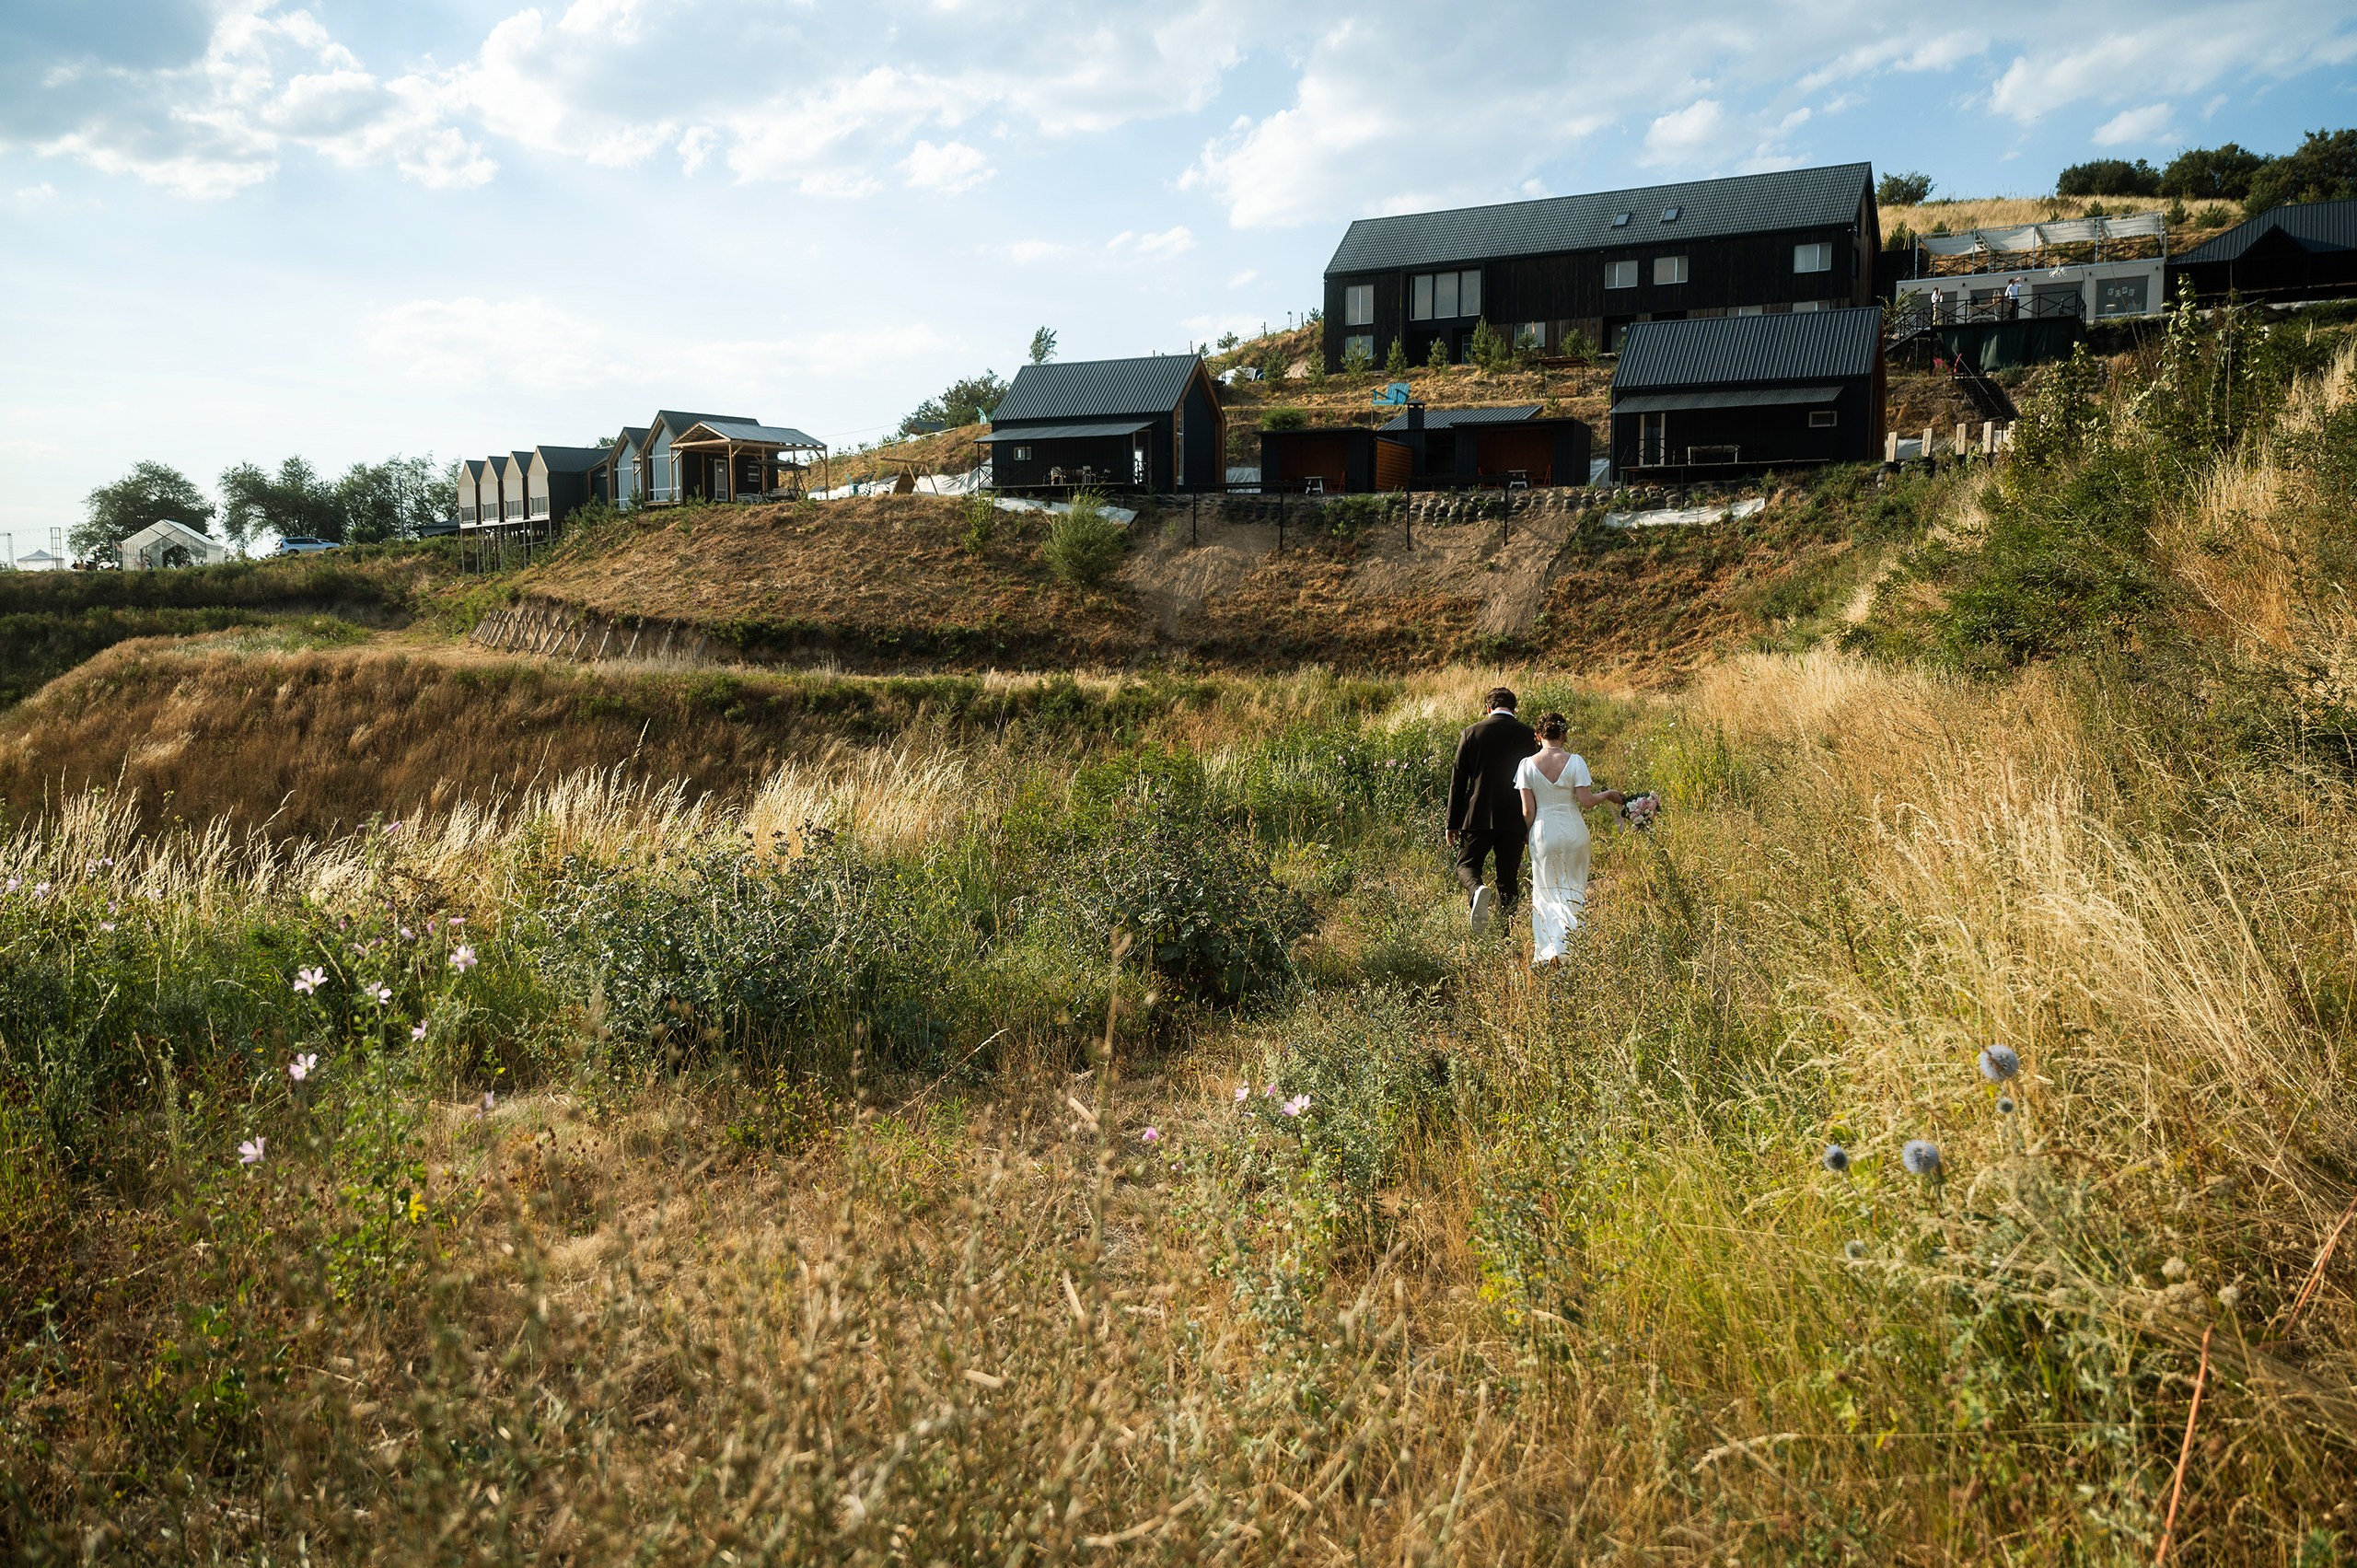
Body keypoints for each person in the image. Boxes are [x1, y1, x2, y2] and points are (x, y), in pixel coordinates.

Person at [1515, 713, 1630, 964]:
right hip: (1574, 830)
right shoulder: (1576, 761)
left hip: (1543, 832)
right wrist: (1608, 794)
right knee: (1573, 889)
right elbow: (1586, 802)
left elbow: (1527, 811)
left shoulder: (1526, 765)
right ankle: (1571, 949)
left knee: (1546, 892)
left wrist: (1526, 834)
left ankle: (1550, 950)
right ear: (1564, 735)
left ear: (1537, 736)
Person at [1447, 687, 1537, 935]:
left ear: (1487, 708)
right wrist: (1534, 822)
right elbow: (1536, 781)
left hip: (1477, 815)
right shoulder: (1530, 736)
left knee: (1466, 865)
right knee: (1508, 877)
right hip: (1515, 816)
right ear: (1514, 709)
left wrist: (1452, 823)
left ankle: (1476, 890)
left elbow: (1458, 781)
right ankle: (1505, 935)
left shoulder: (1471, 733)